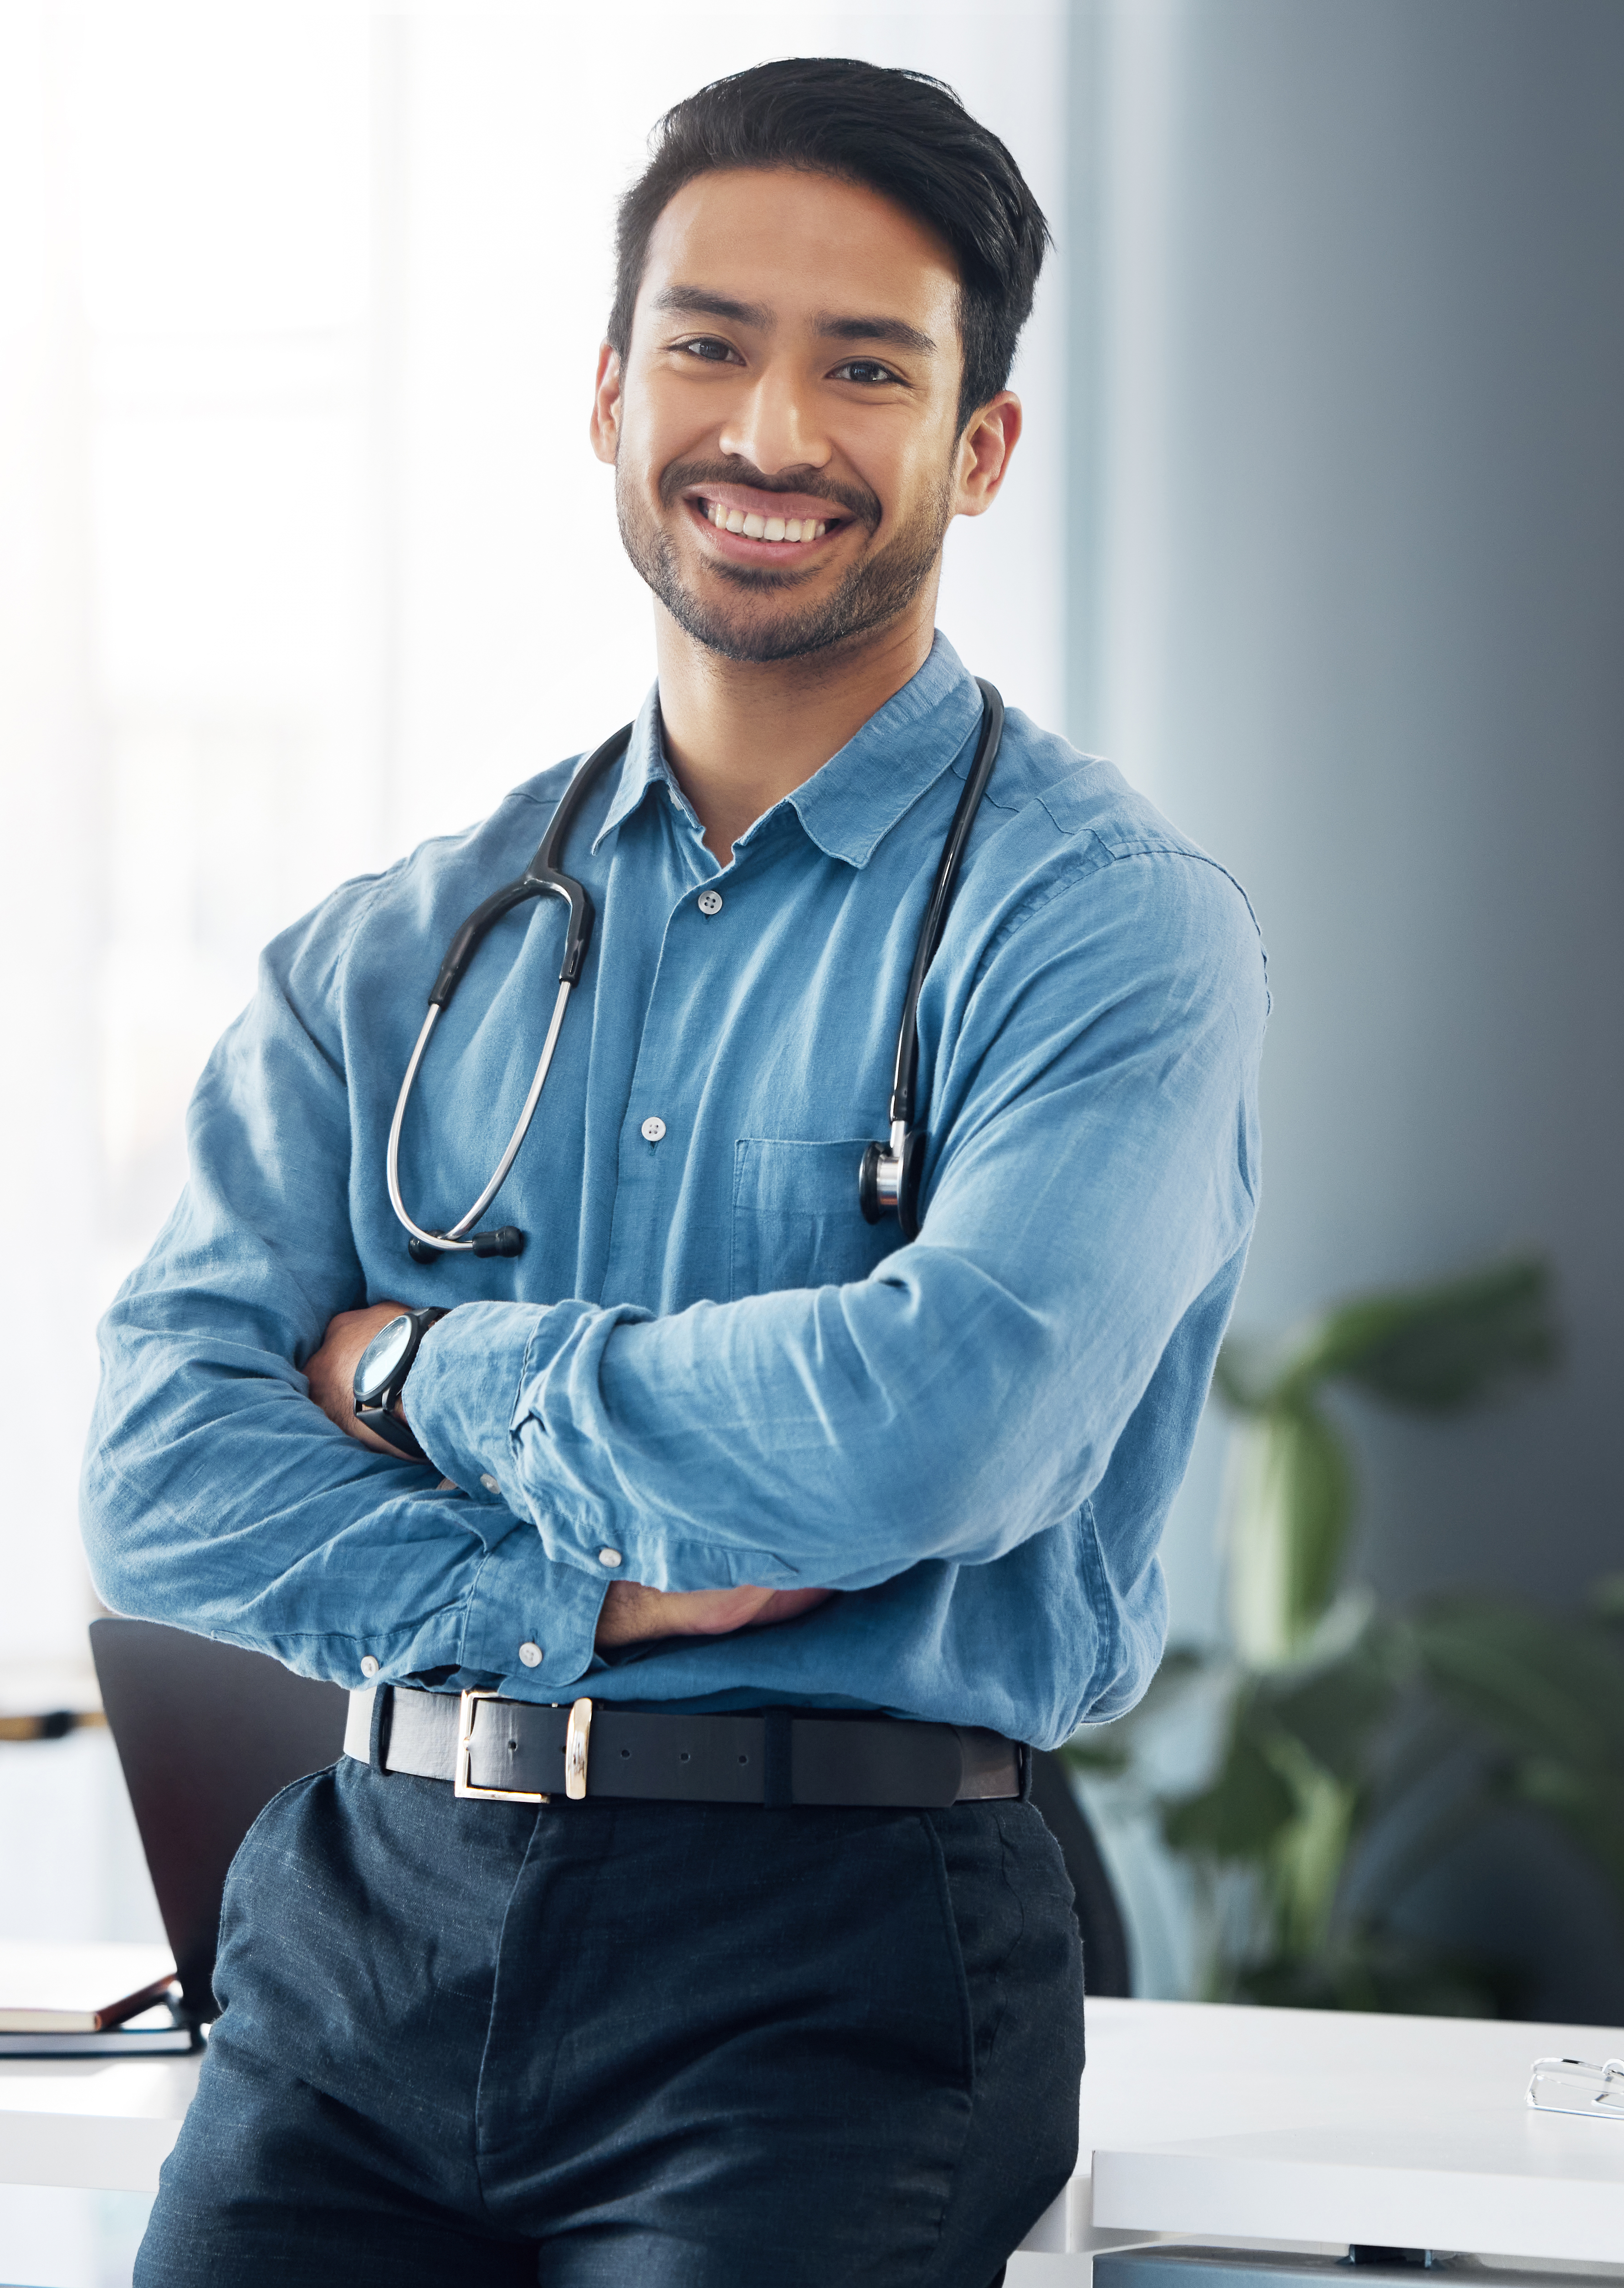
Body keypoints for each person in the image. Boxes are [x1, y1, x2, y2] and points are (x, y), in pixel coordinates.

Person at [82, 55, 1264, 2288]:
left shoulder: (1104, 923)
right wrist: (588, 1598)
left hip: (827, 1959)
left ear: (974, 447)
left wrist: (419, 1368)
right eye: (711, 345)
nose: (771, 433)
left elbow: (935, 1426)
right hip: (363, 1928)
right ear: (612, 391)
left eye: (866, 368)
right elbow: (161, 1469)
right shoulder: (395, 945)